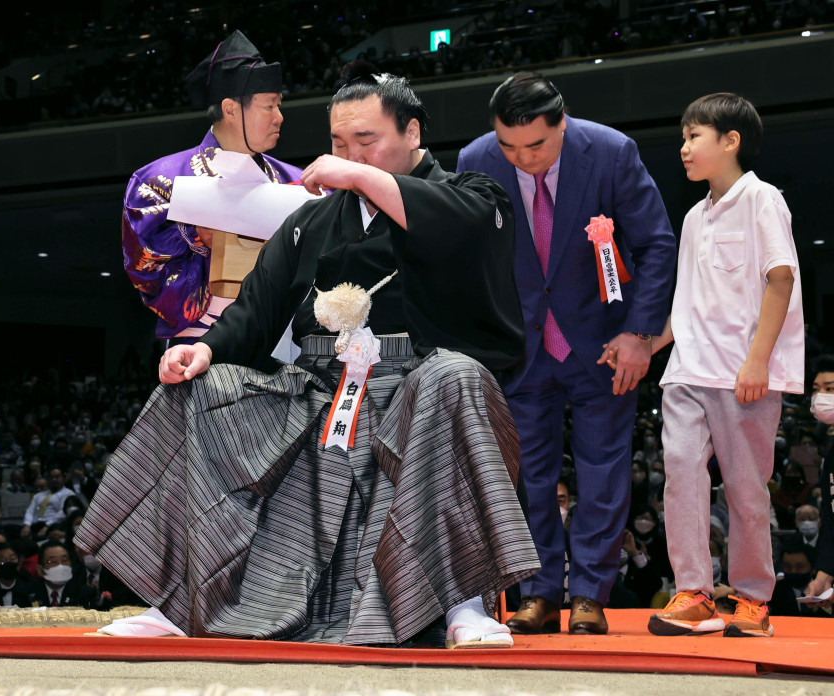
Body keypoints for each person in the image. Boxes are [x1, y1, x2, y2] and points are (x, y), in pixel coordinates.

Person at [77, 66, 539, 647]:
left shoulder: (474, 196)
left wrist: (360, 177)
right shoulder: (312, 220)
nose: (350, 156)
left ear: (413, 132)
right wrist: (202, 350)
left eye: (366, 141)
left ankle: (461, 605)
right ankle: (182, 603)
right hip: (320, 389)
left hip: (419, 388)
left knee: (457, 376)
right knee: (205, 390)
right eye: (339, 144)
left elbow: (461, 231)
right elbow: (255, 309)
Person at [456, 71, 676, 634]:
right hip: (520, 347)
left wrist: (641, 333)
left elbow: (654, 243)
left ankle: (590, 597)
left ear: (563, 124)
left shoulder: (609, 151)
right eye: (509, 145)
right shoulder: (475, 159)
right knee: (527, 475)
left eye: (536, 145)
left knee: (603, 471)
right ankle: (538, 592)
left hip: (605, 345)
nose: (522, 158)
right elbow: (470, 260)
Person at [647, 93, 804, 638]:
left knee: (744, 488)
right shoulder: (694, 215)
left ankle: (754, 599)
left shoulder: (763, 200)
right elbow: (685, 301)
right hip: (688, 370)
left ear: (730, 140)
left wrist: (758, 360)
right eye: (684, 137)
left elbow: (780, 280)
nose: (684, 148)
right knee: (681, 481)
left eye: (695, 136)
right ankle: (693, 591)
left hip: (744, 374)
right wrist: (650, 345)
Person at [122, 30, 302, 343]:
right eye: (269, 106)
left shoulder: (298, 182)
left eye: (279, 105)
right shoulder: (160, 181)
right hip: (200, 341)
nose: (280, 117)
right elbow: (146, 271)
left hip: (285, 343)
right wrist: (193, 234)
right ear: (231, 109)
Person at [805, 356, 834, 609]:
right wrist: (823, 574)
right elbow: (832, 518)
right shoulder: (832, 454)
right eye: (816, 390)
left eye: (830, 389)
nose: (821, 396)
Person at [20, 467, 74, 537]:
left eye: (57, 477)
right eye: (51, 477)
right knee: (9, 528)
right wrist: (26, 525)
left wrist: (47, 525)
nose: (54, 479)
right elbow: (30, 511)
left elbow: (62, 513)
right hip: (34, 524)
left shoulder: (68, 494)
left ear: (63, 478)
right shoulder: (38, 495)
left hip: (52, 524)